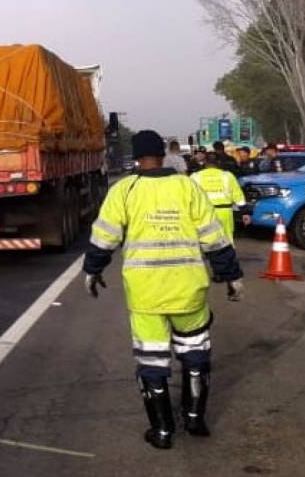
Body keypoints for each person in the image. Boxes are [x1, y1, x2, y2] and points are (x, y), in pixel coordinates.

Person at [85, 130, 244, 450]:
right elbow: (213, 235)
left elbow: (105, 236)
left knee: (152, 362)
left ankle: (161, 431)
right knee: (195, 355)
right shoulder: (187, 186)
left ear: (136, 157)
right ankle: (195, 419)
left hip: (146, 295)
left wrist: (93, 269)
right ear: (162, 154)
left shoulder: (124, 190)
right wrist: (231, 276)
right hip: (189, 289)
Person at [191, 152, 248, 243]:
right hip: (224, 213)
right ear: (219, 162)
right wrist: (245, 213)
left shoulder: (195, 177)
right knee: (226, 241)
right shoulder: (227, 176)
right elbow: (239, 197)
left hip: (204, 214)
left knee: (205, 241)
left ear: (204, 161)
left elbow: (190, 198)